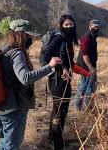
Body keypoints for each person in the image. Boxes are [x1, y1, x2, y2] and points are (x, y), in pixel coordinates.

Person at [0, 19, 62, 150]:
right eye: (29, 35)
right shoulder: (17, 53)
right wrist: (50, 66)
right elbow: (25, 78)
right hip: (13, 108)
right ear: (21, 34)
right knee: (12, 145)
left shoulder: (2, 48)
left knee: (5, 143)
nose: (31, 38)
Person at [42, 14, 79, 149]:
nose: (69, 26)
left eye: (71, 24)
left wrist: (69, 68)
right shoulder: (58, 38)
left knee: (58, 110)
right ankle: (58, 145)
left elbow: (67, 59)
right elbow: (47, 57)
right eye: (66, 25)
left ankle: (53, 138)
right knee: (60, 111)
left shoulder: (68, 40)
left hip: (64, 80)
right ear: (61, 26)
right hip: (57, 81)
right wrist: (61, 67)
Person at [75, 19, 100, 111]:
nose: (96, 28)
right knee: (88, 87)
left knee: (84, 85)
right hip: (86, 67)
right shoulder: (86, 38)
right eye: (94, 27)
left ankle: (80, 107)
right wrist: (91, 68)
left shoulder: (93, 37)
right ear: (90, 26)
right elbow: (84, 54)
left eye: (97, 27)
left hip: (89, 65)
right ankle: (85, 109)